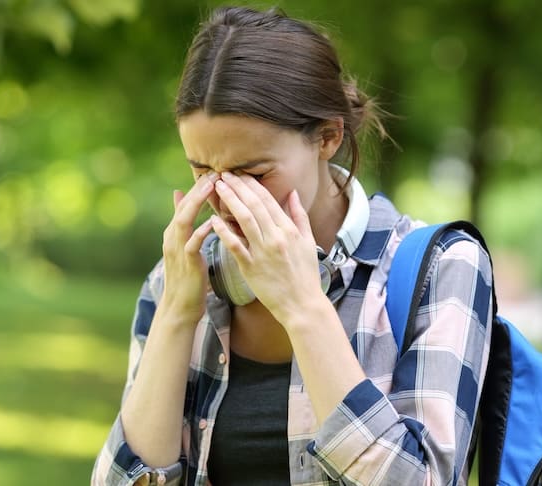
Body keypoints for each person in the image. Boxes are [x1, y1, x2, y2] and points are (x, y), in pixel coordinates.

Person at [92, 6, 492, 486]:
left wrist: (304, 307)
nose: (224, 200)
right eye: (201, 172)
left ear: (327, 137)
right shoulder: (177, 280)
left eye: (254, 173)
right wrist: (177, 315)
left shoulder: (444, 267)